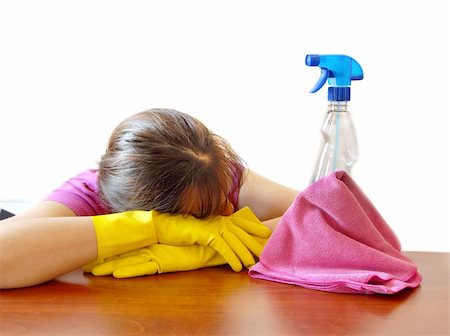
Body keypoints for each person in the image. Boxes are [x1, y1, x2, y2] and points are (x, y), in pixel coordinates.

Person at [0, 108, 299, 289]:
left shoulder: (212, 173)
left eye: (223, 197)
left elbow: (329, 212)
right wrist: (154, 228)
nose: (227, 211)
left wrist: (207, 252)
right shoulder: (88, 195)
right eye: (201, 215)